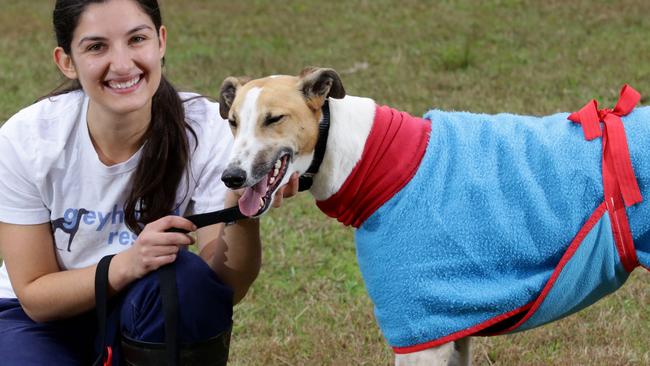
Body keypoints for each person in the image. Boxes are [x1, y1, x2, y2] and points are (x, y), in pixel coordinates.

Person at [0, 0, 297, 364]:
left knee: (186, 280)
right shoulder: (26, 139)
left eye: (136, 39)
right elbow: (35, 295)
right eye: (96, 47)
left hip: (142, 306)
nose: (123, 64)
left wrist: (242, 204)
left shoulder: (206, 130)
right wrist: (127, 263)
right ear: (66, 61)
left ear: (161, 41)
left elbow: (222, 288)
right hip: (38, 320)